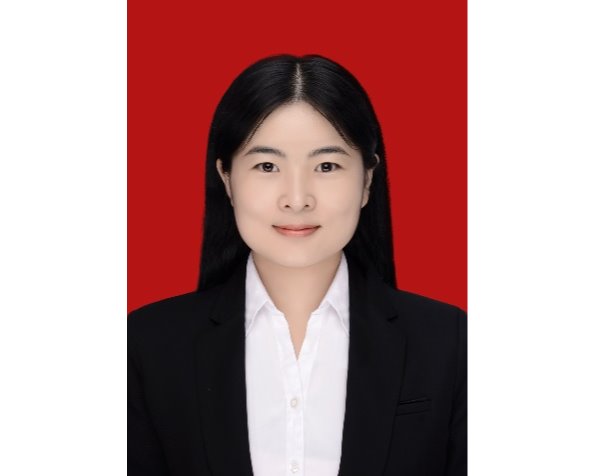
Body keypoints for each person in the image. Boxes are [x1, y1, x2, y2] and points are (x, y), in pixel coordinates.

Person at [128, 54, 467, 476]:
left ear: (367, 180)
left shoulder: (450, 343)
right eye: (267, 166)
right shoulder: (146, 345)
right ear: (227, 178)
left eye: (327, 166)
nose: (297, 198)